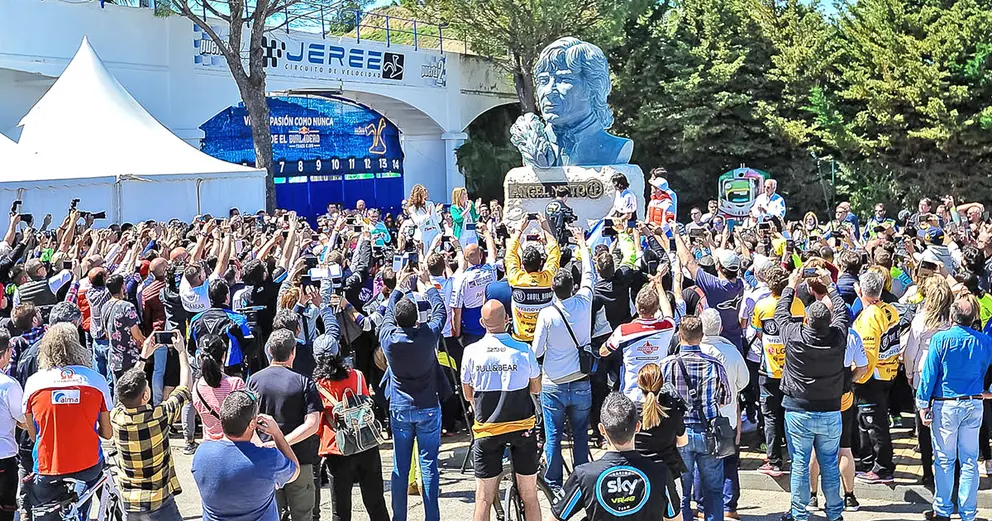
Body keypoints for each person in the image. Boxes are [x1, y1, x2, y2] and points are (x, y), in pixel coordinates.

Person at [773, 268, 849, 521]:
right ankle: (835, 513)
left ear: (806, 320)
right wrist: (830, 287)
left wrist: (790, 286)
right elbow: (842, 312)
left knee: (800, 465)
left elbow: (780, 314)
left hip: (798, 410)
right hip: (829, 410)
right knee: (828, 464)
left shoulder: (794, 336)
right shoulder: (839, 336)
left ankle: (799, 514)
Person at [22, 323, 113, 521]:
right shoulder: (96, 381)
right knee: (81, 505)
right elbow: (107, 433)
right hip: (88, 465)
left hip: (48, 466)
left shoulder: (33, 383)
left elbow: (33, 434)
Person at [461, 301, 542, 521]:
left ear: (481, 323)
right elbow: (536, 388)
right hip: (522, 428)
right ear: (508, 319)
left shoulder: (470, 352)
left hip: (487, 430)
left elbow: (469, 395)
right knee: (530, 495)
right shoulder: (523, 350)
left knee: (483, 498)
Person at [379, 264, 448, 521]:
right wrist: (428, 285)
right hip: (428, 405)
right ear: (418, 319)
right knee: (429, 466)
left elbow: (387, 314)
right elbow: (441, 312)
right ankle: (432, 517)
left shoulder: (389, 338)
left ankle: (400, 517)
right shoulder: (428, 335)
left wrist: (398, 286)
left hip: (401, 407)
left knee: (400, 466)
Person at [916, 296, 992, 521]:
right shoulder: (984, 341)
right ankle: (968, 513)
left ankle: (943, 510)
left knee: (944, 460)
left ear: (952, 316)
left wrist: (922, 403)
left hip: (946, 404)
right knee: (969, 460)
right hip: (973, 403)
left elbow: (929, 374)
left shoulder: (941, 339)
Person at [551, 392, 681, 521]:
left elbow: (555, 517)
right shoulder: (661, 474)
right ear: (638, 426)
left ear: (602, 430)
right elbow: (675, 519)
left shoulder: (584, 475)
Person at [532, 226, 594, 490]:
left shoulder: (546, 315)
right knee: (580, 435)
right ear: (573, 287)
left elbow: (536, 351)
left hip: (554, 383)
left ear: (553, 291)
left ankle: (555, 484)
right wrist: (582, 243)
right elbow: (590, 272)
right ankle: (581, 481)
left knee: (553, 436)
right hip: (580, 380)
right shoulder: (584, 301)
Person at [110, 331, 191, 520]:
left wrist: (143, 356)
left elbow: (126, 393)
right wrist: (181, 352)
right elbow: (184, 387)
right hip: (159, 499)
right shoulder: (160, 416)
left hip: (131, 502)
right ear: (145, 396)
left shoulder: (117, 417)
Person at [660, 316, 731, 521]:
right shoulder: (714, 364)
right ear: (702, 336)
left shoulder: (666, 365)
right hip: (708, 432)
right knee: (714, 489)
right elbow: (726, 398)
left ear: (679, 335)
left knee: (681, 491)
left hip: (678, 433)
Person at [192, 390, 301, 521]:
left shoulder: (202, 453)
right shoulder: (269, 459)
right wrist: (277, 434)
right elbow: (295, 471)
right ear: (252, 424)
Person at [248, 329, 322, 521]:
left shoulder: (254, 381)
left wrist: (265, 444)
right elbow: (313, 424)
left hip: (266, 460)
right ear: (293, 352)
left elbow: (247, 421)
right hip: (301, 459)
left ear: (270, 351)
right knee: (303, 515)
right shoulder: (305, 382)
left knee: (271, 514)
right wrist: (283, 442)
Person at [313, 348, 389, 521]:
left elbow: (318, 422)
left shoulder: (319, 385)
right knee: (376, 503)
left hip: (338, 447)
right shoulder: (358, 375)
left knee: (340, 509)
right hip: (366, 442)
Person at [750, 265, 806, 476]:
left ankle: (774, 461)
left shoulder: (762, 306)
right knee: (792, 414)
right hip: (793, 369)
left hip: (770, 369)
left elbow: (758, 334)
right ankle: (795, 457)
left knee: (771, 416)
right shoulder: (799, 305)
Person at [699, 309, 750, 520]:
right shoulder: (731, 352)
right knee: (729, 461)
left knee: (701, 464)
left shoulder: (695, 349)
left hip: (702, 417)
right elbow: (744, 381)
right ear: (720, 328)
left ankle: (702, 507)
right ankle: (729, 506)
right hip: (726, 417)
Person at [851, 269, 901, 483]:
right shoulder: (889, 310)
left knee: (874, 423)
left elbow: (868, 355)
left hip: (871, 377)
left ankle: (882, 468)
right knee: (869, 421)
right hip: (887, 373)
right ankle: (870, 461)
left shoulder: (869, 317)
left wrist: (855, 377)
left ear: (861, 290)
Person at [903, 276, 952, 487]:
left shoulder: (921, 319)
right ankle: (947, 470)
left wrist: (908, 372)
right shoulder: (952, 319)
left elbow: (910, 351)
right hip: (947, 376)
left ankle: (927, 471)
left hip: (922, 374)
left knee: (922, 426)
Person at [600, 282, 677, 403]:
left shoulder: (624, 331)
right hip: (657, 397)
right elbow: (668, 310)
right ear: (657, 309)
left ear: (636, 306)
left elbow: (603, 352)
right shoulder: (667, 327)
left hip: (630, 397)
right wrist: (658, 284)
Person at [675, 233, 745, 352]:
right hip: (735, 344)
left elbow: (689, 262)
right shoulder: (740, 284)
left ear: (718, 266)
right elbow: (720, 268)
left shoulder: (714, 286)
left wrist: (676, 234)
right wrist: (710, 242)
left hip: (715, 346)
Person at [633, 363, 687, 512]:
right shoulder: (673, 411)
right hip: (668, 474)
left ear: (639, 384)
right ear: (661, 384)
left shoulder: (631, 412)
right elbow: (683, 442)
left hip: (638, 476)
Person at [505, 214, 561, 343]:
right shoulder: (548, 278)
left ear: (522, 265)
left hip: (521, 338)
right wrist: (545, 227)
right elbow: (554, 251)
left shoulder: (516, 278)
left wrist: (519, 230)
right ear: (541, 263)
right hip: (544, 337)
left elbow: (510, 254)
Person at [188, 279, 254, 377]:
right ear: (227, 296)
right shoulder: (237, 319)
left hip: (204, 373)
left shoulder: (195, 320)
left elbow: (191, 348)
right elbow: (249, 346)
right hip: (232, 372)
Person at [192, 335, 246, 441]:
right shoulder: (236, 383)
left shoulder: (197, 386)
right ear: (224, 356)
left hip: (208, 446)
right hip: (233, 445)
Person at [103, 273, 145, 384]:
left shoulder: (105, 307)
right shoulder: (127, 306)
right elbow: (135, 333)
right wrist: (144, 341)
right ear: (123, 286)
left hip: (114, 358)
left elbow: (107, 334)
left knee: (118, 391)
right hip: (129, 357)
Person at [0, 332, 22, 521]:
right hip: (3, 457)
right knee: (6, 510)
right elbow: (23, 420)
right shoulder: (8, 385)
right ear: (4, 353)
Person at [407, 184, 442, 252]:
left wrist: (438, 212)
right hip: (424, 234)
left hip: (435, 232)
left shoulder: (430, 204)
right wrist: (427, 215)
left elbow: (438, 220)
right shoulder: (412, 208)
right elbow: (417, 222)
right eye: (424, 190)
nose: (426, 192)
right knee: (426, 256)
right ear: (419, 193)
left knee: (436, 255)